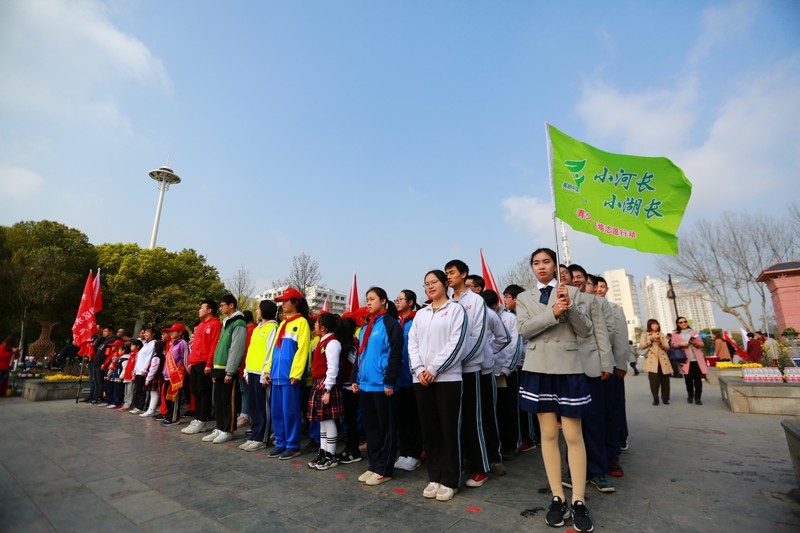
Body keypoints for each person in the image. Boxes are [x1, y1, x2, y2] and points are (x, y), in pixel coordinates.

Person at [517, 248, 594, 532]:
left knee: (573, 435)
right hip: (538, 369)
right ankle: (557, 497)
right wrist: (553, 313)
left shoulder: (571, 293)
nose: (541, 266)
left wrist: (569, 306)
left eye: (546, 262)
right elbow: (524, 330)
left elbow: (585, 330)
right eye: (536, 263)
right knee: (548, 435)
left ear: (555, 265)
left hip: (569, 368)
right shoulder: (524, 297)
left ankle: (579, 500)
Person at [408, 270, 467, 502]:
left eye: (434, 282)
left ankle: (450, 479)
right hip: (420, 379)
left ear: (445, 284)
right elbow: (412, 342)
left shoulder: (456, 310)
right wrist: (418, 369)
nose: (430, 286)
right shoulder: (420, 314)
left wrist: (433, 369)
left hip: (447, 379)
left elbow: (456, 343)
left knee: (448, 429)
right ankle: (434, 476)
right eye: (426, 284)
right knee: (430, 430)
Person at [445, 259, 491, 489]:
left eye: (452, 272)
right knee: (454, 420)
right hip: (449, 373)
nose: (448, 277)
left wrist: (457, 360)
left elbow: (478, 337)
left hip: (469, 369)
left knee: (473, 420)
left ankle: (481, 468)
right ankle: (460, 462)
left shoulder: (476, 301)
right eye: (446, 273)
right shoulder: (447, 302)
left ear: (464, 274)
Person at [353, 287, 404, 486]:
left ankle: (385, 469)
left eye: (372, 299)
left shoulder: (390, 324)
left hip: (383, 386)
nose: (368, 302)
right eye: (367, 299)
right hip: (366, 386)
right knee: (371, 429)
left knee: (386, 429)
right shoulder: (366, 327)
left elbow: (396, 353)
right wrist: (355, 378)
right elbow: (360, 355)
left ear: (383, 301)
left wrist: (390, 380)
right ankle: (373, 465)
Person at [264, 287, 311, 459]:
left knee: (290, 412)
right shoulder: (283, 324)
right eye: (282, 301)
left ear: (295, 302)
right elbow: (274, 351)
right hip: (276, 376)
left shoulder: (302, 323)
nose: (283, 304)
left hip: (290, 376)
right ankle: (281, 442)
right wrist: (268, 370)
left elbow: (303, 350)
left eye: (286, 301)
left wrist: (296, 373)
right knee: (277, 412)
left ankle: (292, 445)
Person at [203, 294, 247, 444]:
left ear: (231, 305)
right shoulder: (225, 322)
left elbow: (236, 348)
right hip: (219, 367)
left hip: (228, 368)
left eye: (222, 305)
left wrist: (231, 370)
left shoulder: (238, 323)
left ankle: (228, 429)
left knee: (228, 401)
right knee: (219, 401)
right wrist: (215, 366)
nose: (220, 308)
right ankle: (220, 426)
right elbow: (219, 345)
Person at [307, 312, 348, 470]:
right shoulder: (322, 341)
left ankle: (331, 456)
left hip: (326, 384)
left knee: (329, 420)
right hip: (320, 383)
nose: (315, 325)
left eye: (317, 323)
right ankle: (323, 452)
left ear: (323, 327)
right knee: (322, 421)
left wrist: (327, 389)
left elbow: (333, 368)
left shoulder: (332, 343)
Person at [240, 300, 279, 452]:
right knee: (254, 406)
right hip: (252, 371)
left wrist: (265, 373)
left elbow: (270, 351)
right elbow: (251, 350)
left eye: (258, 308)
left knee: (263, 407)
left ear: (265, 310)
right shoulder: (257, 328)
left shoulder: (273, 328)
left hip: (262, 373)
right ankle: (255, 434)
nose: (256, 310)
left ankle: (262, 437)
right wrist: (246, 370)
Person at [393, 290, 423, 473]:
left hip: (413, 378)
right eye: (396, 299)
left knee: (413, 419)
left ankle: (414, 454)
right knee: (401, 418)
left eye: (401, 299)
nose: (397, 302)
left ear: (411, 302)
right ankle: (403, 452)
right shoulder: (396, 323)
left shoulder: (417, 321)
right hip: (398, 379)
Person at [182, 300, 222, 435]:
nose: (199, 310)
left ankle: (202, 420)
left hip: (204, 362)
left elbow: (214, 345)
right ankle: (197, 418)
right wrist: (190, 362)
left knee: (204, 392)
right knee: (196, 392)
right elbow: (195, 345)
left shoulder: (216, 324)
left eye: (202, 308)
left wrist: (209, 363)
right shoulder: (200, 325)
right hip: (195, 362)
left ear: (209, 310)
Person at [671, 317, 707, 405]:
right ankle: (690, 396)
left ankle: (698, 398)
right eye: (681, 322)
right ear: (678, 324)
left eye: (685, 321)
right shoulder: (675, 334)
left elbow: (701, 344)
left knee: (698, 380)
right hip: (684, 360)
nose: (683, 323)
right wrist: (680, 344)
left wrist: (695, 343)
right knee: (688, 379)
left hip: (696, 360)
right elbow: (673, 344)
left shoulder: (694, 332)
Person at [161, 324, 189, 426]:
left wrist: (187, 372)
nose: (171, 333)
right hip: (168, 375)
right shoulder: (172, 343)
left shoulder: (183, 343)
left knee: (174, 398)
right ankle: (168, 416)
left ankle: (174, 418)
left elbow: (186, 359)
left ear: (180, 332)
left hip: (176, 376)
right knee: (168, 398)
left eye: (173, 331)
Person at [639, 319, 671, 405]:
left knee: (665, 380)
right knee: (654, 381)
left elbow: (667, 347)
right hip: (652, 360)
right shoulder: (645, 334)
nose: (655, 326)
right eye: (653, 324)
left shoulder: (662, 334)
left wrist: (661, 342)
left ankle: (665, 398)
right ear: (649, 325)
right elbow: (641, 346)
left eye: (657, 324)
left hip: (663, 360)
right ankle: (655, 398)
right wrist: (651, 339)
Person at [130, 328, 157, 414]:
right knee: (138, 389)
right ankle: (136, 405)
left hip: (143, 371)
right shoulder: (145, 344)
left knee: (142, 390)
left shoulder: (153, 344)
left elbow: (149, 358)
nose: (145, 334)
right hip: (138, 370)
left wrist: (145, 369)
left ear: (153, 334)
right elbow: (139, 358)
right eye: (144, 332)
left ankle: (140, 406)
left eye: (147, 332)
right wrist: (135, 369)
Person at [140, 340, 165, 417]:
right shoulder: (163, 356)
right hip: (160, 375)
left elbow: (153, 369)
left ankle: (151, 410)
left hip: (155, 376)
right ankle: (151, 409)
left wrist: (148, 379)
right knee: (156, 394)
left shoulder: (156, 357)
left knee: (154, 394)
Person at [119, 339, 141, 410]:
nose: (131, 347)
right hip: (127, 375)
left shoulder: (138, 354)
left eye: (132, 345)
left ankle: (129, 404)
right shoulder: (131, 355)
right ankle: (126, 403)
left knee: (130, 391)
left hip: (131, 376)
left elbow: (136, 365)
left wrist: (134, 375)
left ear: (137, 346)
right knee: (126, 391)